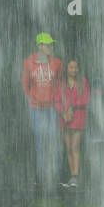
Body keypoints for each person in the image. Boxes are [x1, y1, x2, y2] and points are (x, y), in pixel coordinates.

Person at [22, 32, 63, 188]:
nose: (50, 47)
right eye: (47, 44)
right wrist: (32, 99)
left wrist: (57, 102)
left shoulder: (57, 63)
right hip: (36, 110)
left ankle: (57, 177)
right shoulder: (29, 62)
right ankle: (40, 178)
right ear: (39, 46)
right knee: (40, 143)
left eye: (51, 44)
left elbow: (59, 83)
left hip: (52, 109)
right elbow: (25, 84)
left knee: (55, 142)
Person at [56, 59, 89, 188]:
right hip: (65, 119)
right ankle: (72, 175)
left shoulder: (83, 82)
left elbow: (86, 98)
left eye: (75, 67)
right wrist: (63, 113)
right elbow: (57, 100)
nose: (73, 70)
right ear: (67, 69)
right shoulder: (60, 84)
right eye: (71, 67)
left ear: (78, 69)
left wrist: (72, 107)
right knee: (68, 147)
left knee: (75, 146)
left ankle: (75, 176)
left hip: (78, 117)